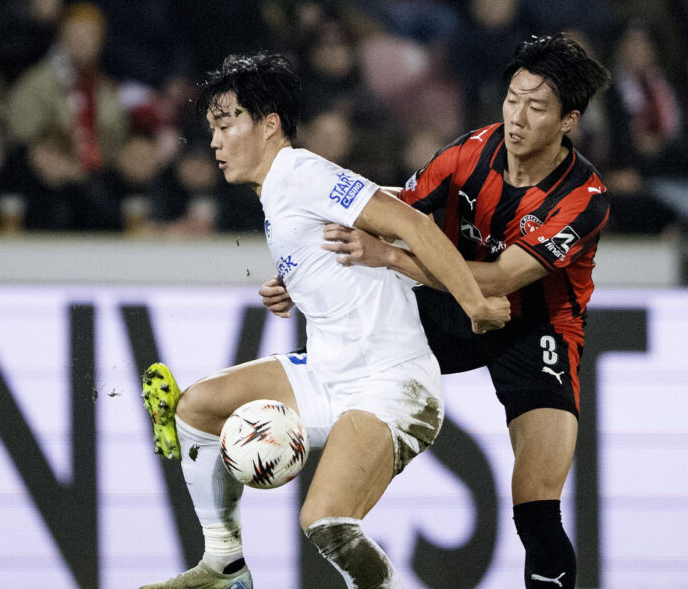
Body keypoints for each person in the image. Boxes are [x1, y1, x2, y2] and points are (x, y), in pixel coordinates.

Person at [138, 53, 511, 589]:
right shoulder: (278, 193)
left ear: (268, 126)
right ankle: (225, 566)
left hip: (391, 384)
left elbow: (413, 225)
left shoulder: (303, 174)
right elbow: (343, 256)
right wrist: (298, 284)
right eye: (211, 130)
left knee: (326, 522)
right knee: (196, 408)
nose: (215, 142)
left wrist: (473, 301)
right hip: (329, 373)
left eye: (225, 126)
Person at [261, 33, 612, 588]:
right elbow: (398, 206)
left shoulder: (582, 199)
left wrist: (391, 258)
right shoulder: (472, 151)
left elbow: (499, 282)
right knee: (350, 347)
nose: (517, 117)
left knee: (537, 508)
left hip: (534, 328)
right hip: (449, 305)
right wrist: (299, 274)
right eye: (513, 98)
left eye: (537, 107)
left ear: (568, 120)